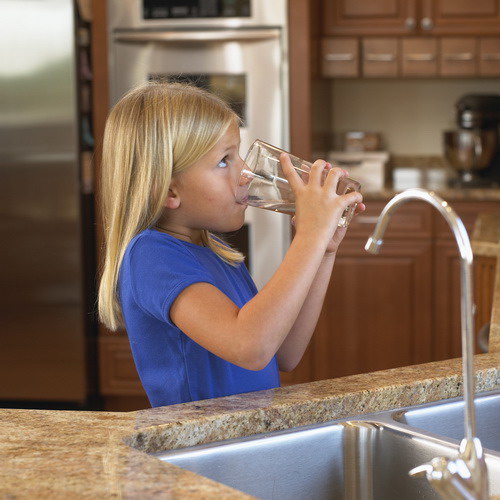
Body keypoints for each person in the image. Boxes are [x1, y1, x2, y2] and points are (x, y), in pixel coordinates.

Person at [98, 81, 365, 407]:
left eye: (239, 154)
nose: (246, 173)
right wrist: (309, 236)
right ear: (169, 191)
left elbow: (284, 352)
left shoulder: (219, 256)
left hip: (240, 440)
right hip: (200, 450)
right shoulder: (152, 256)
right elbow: (251, 347)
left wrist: (323, 249)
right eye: (225, 160)